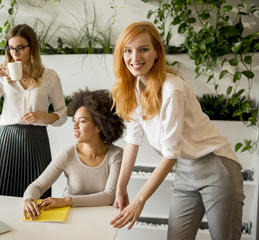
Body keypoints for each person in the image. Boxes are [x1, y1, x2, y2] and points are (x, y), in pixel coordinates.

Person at [109, 21, 245, 240]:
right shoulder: (132, 90)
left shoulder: (172, 89)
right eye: (128, 50)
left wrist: (139, 201)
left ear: (157, 52)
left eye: (143, 49)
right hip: (185, 172)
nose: (135, 57)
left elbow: (170, 153)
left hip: (216, 167)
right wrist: (121, 187)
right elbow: (132, 140)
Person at [0, 24, 67, 197]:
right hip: (8, 140)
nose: (15, 53)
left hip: (37, 141)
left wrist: (41, 116)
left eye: (20, 48)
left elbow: (62, 115)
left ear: (32, 48)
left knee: (38, 197)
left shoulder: (50, 77)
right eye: (11, 48)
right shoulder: (4, 77)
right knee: (5, 195)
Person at [22, 89, 125, 220]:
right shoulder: (68, 154)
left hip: (101, 219)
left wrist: (67, 200)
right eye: (74, 121)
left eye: (82, 121)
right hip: (67, 217)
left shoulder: (116, 155)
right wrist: (28, 200)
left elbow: (109, 195)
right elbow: (38, 186)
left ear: (98, 126)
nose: (75, 126)